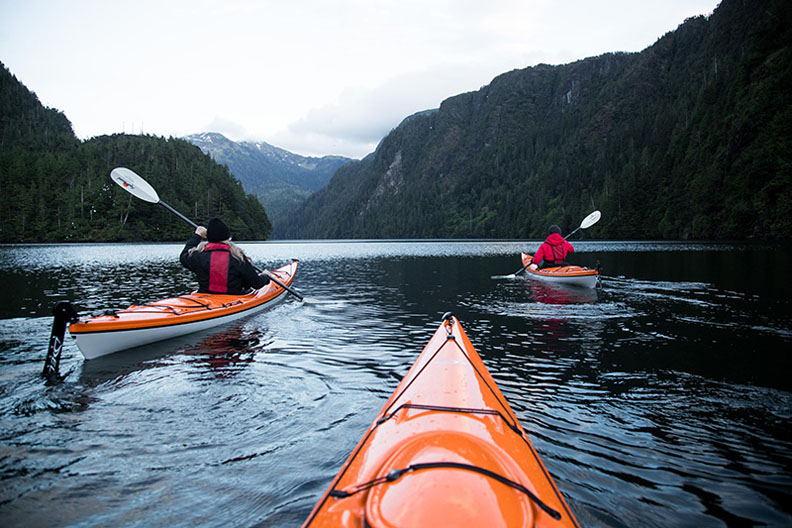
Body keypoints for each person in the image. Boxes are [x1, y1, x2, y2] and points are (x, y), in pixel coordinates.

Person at [180, 218, 270, 294]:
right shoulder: (237, 258)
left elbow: (184, 256)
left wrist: (197, 235)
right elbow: (256, 284)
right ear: (227, 237)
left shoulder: (198, 256)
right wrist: (266, 276)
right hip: (233, 298)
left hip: (205, 297)